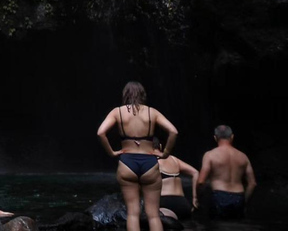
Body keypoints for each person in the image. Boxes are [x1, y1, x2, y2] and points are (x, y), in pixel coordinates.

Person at [97, 81, 178, 231]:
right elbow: (173, 131)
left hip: (127, 162)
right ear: (142, 95)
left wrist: (112, 152)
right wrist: (165, 153)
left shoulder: (117, 112)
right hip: (149, 162)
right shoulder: (152, 112)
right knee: (153, 214)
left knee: (133, 213)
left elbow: (100, 132)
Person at [198, 125, 256, 219]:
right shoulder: (243, 156)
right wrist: (244, 201)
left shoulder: (210, 155)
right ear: (232, 136)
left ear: (215, 138)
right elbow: (252, 183)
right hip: (239, 197)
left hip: (219, 196)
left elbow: (201, 182)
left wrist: (199, 198)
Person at [153, 138, 198, 220]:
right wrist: (194, 198)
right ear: (160, 146)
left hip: (165, 203)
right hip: (183, 203)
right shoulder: (174, 159)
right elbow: (195, 172)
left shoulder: (151, 161)